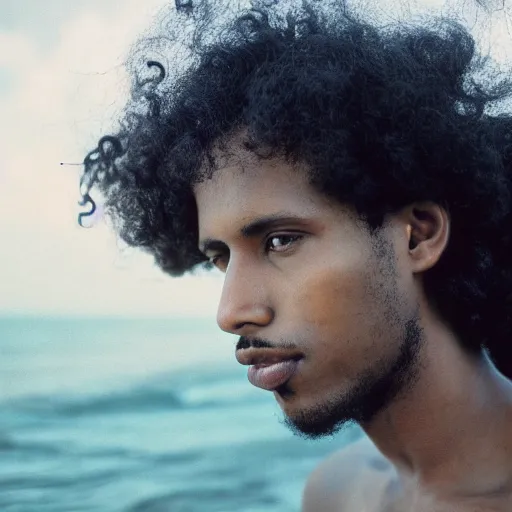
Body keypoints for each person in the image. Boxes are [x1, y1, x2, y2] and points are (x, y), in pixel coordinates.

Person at [77, 0, 512, 509]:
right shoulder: (335, 492)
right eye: (219, 257)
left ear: (417, 236)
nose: (232, 312)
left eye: (280, 241)